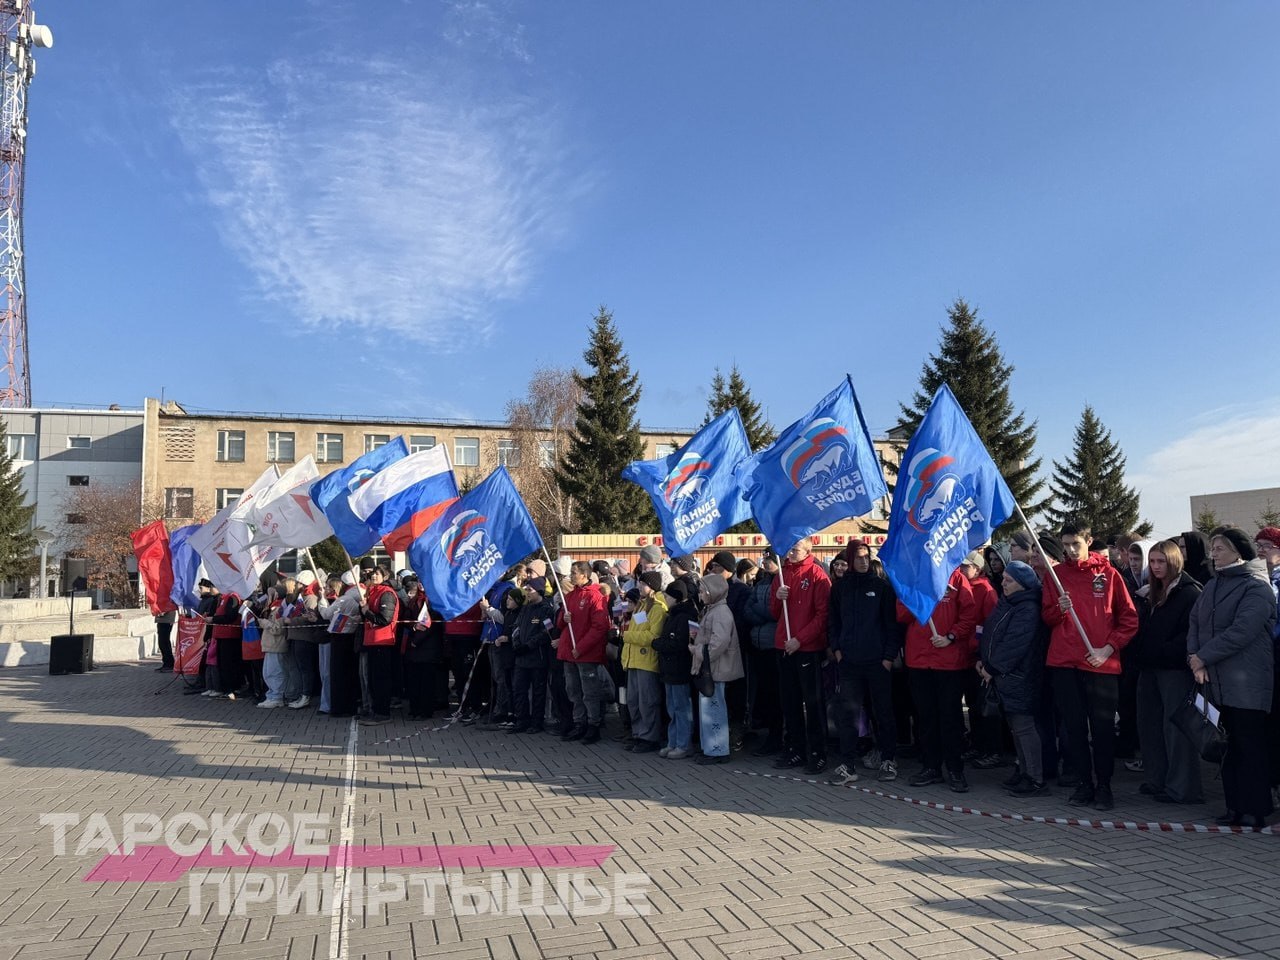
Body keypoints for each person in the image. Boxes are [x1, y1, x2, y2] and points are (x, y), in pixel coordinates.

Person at [1040, 523, 1139, 812]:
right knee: (1074, 727)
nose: (1071, 550)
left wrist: (1107, 649)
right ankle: (1084, 783)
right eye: (1066, 545)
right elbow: (1047, 617)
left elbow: (1129, 619)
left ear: (1089, 541)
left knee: (1102, 728)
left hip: (1100, 663)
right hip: (1064, 662)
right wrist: (1059, 608)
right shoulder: (1056, 576)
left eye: (1076, 544)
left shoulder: (1109, 574)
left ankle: (1104, 785)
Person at [1187, 528, 1276, 830]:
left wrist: (1203, 657)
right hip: (1215, 680)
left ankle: (1255, 809)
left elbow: (1242, 631)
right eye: (1212, 548)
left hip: (1247, 681)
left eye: (1220, 548)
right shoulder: (1213, 585)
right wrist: (1194, 658)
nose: (1213, 554)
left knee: (1249, 746)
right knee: (1226, 745)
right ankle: (1234, 806)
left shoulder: (1256, 587)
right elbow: (1195, 622)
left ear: (1238, 551)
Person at [1131, 540, 1203, 804]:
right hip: (1149, 667)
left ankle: (1182, 788)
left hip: (1174, 669)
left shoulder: (1190, 592)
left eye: (1161, 561)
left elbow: (1191, 633)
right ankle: (1156, 779)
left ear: (1174, 561)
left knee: (1175, 730)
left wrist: (1162, 651)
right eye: (1152, 561)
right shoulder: (1150, 592)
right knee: (1149, 725)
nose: (1156, 566)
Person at [898, 567, 978, 793]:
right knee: (926, 718)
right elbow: (900, 615)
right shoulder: (913, 578)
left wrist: (951, 636)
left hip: (949, 661)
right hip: (919, 660)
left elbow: (969, 615)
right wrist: (919, 601)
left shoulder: (957, 578)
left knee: (951, 718)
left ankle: (955, 769)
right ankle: (931, 767)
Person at [827, 541, 901, 786]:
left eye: (866, 557)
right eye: (858, 557)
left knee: (883, 713)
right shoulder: (840, 588)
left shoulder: (881, 587)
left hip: (878, 663)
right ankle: (847, 765)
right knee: (847, 715)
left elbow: (892, 625)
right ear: (850, 559)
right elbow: (833, 622)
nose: (863, 561)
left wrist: (888, 658)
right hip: (849, 662)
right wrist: (837, 650)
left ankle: (888, 759)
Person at [978, 561, 1050, 796]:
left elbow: (1014, 643)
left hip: (1020, 676)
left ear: (1022, 583)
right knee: (1016, 728)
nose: (1003, 583)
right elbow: (992, 634)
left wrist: (992, 667)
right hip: (1005, 676)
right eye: (1004, 579)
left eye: (1009, 580)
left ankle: (1035, 778)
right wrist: (983, 660)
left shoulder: (1027, 608)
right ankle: (1024, 770)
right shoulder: (1008, 602)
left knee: (1024, 728)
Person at [770, 540, 832, 775]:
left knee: (813, 703)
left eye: (795, 549)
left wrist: (800, 639)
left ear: (808, 550)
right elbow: (774, 612)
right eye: (789, 548)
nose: (790, 552)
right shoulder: (782, 574)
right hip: (784, 645)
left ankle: (818, 753)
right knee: (789, 701)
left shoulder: (817, 574)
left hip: (807, 648)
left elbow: (823, 615)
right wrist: (778, 597)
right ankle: (795, 748)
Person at [557, 561, 613, 744]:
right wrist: (563, 618)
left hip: (586, 654)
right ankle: (579, 723)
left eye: (574, 572)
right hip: (570, 652)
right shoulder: (570, 595)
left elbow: (600, 627)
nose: (571, 576)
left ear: (584, 575)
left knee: (589, 692)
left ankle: (593, 724)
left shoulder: (595, 596)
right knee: (573, 690)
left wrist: (581, 648)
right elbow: (560, 624)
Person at [691, 575, 744, 764]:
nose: (700, 595)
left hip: (715, 668)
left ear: (712, 591)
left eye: (702, 591)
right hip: (711, 667)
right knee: (709, 708)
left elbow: (719, 642)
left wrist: (698, 651)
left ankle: (717, 750)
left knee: (713, 710)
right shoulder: (713, 610)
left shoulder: (720, 612)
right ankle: (711, 748)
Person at [620, 571, 668, 752]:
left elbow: (653, 636)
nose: (640, 587)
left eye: (644, 584)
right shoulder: (641, 606)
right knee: (633, 701)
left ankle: (649, 737)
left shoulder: (657, 608)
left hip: (647, 661)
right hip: (633, 660)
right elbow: (637, 630)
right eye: (640, 583)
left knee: (647, 701)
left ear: (652, 586)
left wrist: (627, 636)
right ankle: (638, 734)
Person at [742, 549, 783, 756]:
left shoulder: (782, 582)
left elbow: (776, 612)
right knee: (765, 694)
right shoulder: (761, 583)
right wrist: (762, 613)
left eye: (769, 559)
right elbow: (748, 609)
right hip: (758, 643)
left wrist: (762, 612)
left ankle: (778, 737)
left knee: (776, 695)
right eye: (764, 559)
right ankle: (769, 735)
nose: (765, 563)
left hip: (774, 645)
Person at [654, 579, 697, 758]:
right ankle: (673, 742)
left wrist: (658, 644)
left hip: (680, 668)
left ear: (676, 598)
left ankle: (683, 744)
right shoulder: (672, 615)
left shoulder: (685, 616)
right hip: (669, 669)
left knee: (681, 708)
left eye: (668, 596)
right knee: (672, 708)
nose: (665, 599)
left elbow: (680, 643)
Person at [1254, 527, 1280, 806]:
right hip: (1262, 661)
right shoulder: (1260, 578)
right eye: (1258, 545)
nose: (1261, 550)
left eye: (1266, 545)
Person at [509, 577, 554, 734]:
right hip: (521, 658)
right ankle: (522, 720)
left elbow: (547, 632)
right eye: (526, 589)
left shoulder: (546, 609)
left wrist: (529, 645)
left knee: (538, 692)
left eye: (530, 590)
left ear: (539, 591)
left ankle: (536, 722)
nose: (527, 593)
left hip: (537, 658)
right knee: (519, 689)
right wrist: (516, 644)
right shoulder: (525, 608)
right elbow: (516, 627)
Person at [358, 566, 401, 724]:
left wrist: (367, 612)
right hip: (371, 640)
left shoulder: (387, 593)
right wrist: (363, 608)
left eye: (377, 573)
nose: (373, 576)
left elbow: (385, 619)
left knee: (381, 679)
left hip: (383, 641)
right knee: (373, 679)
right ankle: (375, 710)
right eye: (372, 573)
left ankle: (382, 713)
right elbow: (367, 615)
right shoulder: (373, 592)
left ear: (385, 576)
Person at [317, 571, 362, 718]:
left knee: (338, 674)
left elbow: (326, 614)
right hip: (350, 637)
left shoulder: (345, 599)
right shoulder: (359, 596)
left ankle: (340, 707)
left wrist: (322, 600)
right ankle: (350, 705)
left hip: (339, 637)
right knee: (349, 673)